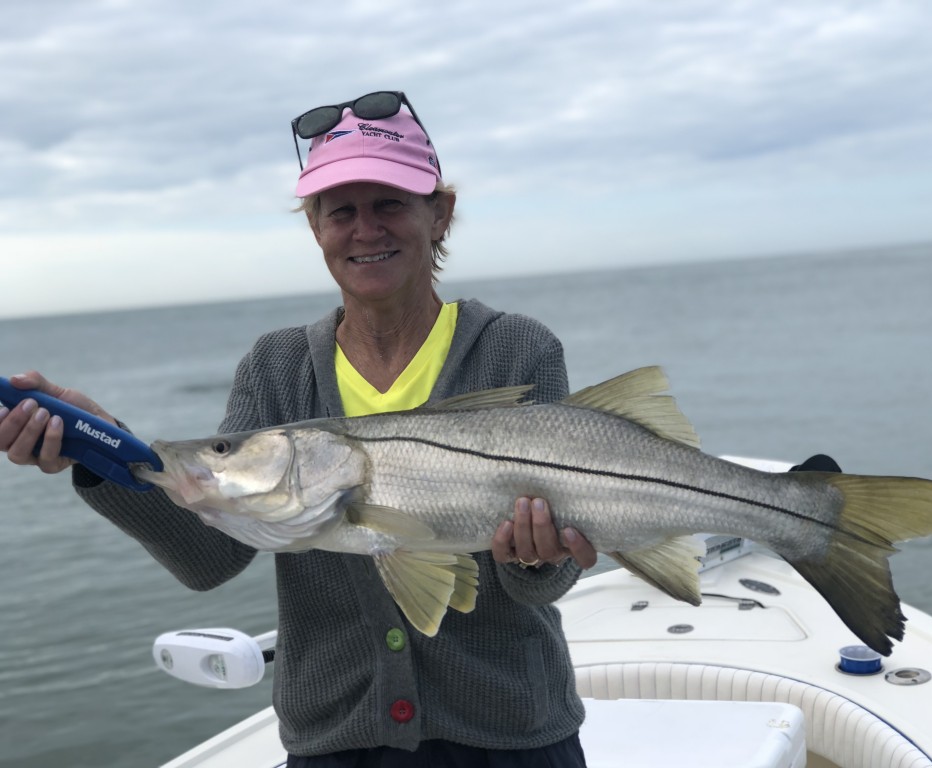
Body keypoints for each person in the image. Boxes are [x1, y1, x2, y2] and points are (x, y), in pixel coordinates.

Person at [0, 91, 597, 767]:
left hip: (513, 732)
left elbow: (537, 582)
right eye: (340, 211)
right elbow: (211, 557)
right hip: (335, 739)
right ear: (314, 227)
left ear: (440, 214)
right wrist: (101, 450)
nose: (365, 229)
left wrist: (539, 558)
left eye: (390, 203)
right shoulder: (277, 366)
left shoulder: (516, 350)